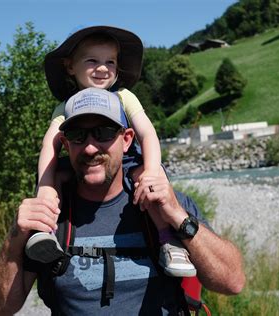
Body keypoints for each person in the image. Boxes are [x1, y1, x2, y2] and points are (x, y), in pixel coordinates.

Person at [0, 88, 245, 315]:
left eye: (104, 132)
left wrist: (178, 216)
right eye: (77, 135)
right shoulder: (49, 215)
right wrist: (15, 237)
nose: (90, 147)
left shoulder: (163, 203)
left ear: (127, 139)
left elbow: (232, 282)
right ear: (65, 143)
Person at [29, 25, 195, 277]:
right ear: (70, 66)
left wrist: (151, 170)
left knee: (149, 182)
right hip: (81, 163)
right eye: (92, 60)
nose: (103, 68)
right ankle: (47, 233)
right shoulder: (65, 106)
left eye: (111, 61)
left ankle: (168, 241)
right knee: (56, 181)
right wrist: (44, 188)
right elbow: (50, 145)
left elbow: (147, 133)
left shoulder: (124, 97)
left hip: (127, 159)